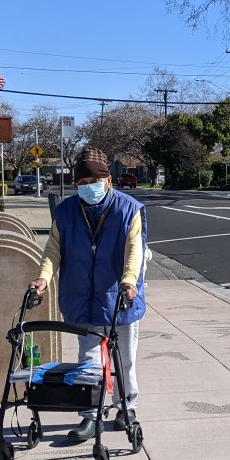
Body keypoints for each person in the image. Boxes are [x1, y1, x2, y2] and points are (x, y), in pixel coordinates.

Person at [29, 147, 146, 443]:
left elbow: (134, 251)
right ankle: (91, 415)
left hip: (120, 297)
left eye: (93, 182)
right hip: (82, 297)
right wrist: (43, 278)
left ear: (108, 180)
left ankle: (126, 408)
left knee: (125, 359)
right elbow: (53, 250)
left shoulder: (128, 209)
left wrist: (129, 281)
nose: (88, 187)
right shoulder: (66, 212)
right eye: (81, 183)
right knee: (89, 360)